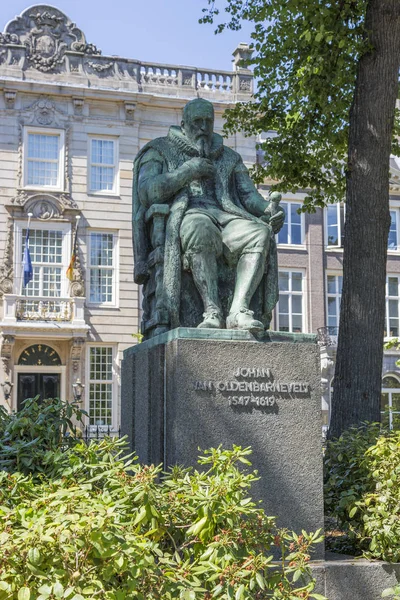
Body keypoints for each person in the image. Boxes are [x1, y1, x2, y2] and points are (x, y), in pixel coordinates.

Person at [132, 98, 284, 332]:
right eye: (197, 122)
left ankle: (238, 310)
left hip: (226, 216)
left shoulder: (229, 157)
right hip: (186, 214)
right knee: (200, 228)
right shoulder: (159, 150)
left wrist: (268, 209)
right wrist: (187, 171)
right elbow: (147, 192)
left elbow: (249, 196)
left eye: (208, 122)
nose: (203, 128)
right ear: (183, 125)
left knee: (259, 233)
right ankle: (212, 311)